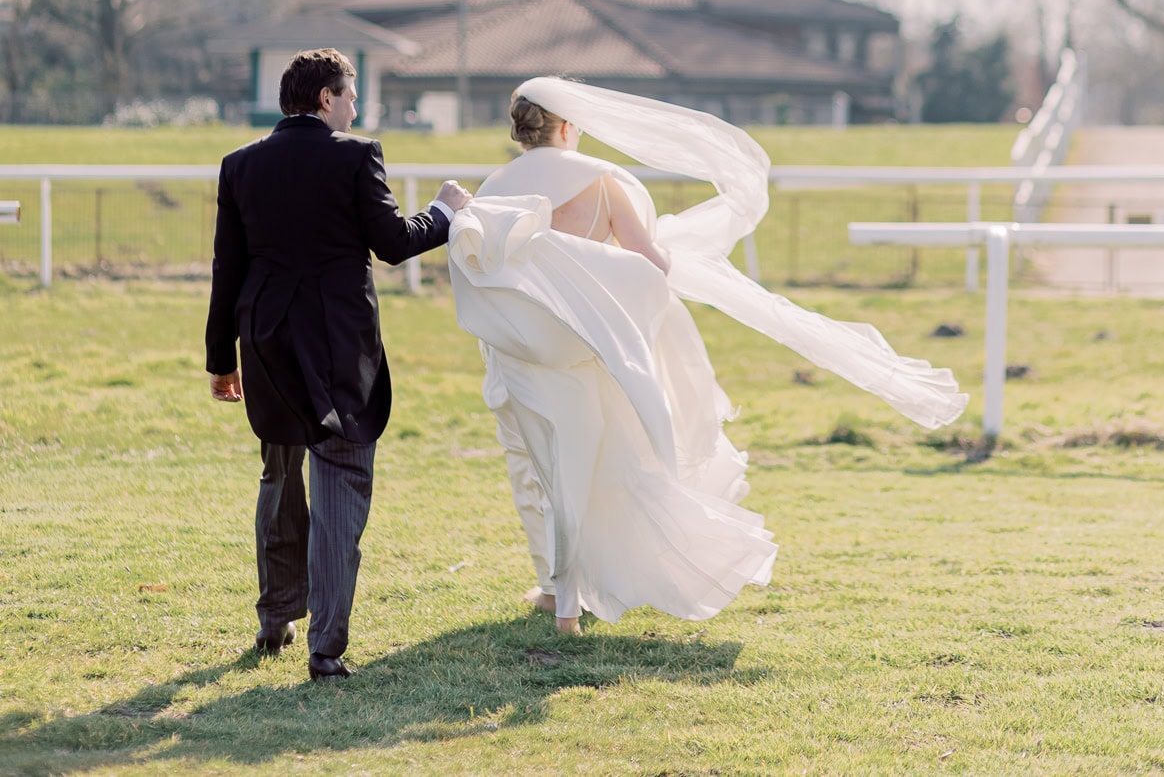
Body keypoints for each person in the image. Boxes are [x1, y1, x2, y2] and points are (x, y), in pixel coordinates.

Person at [448, 77, 967, 635]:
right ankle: (581, 591)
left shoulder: (495, 190)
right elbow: (649, 264)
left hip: (523, 354)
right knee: (603, 465)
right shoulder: (601, 182)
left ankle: (557, 588)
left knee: (536, 467)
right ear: (570, 125)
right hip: (594, 348)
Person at [205, 48, 471, 680]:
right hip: (337, 348)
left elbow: (227, 270)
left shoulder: (239, 164)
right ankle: (325, 647)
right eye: (350, 95)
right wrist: (445, 210)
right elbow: (394, 243)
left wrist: (221, 359)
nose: (356, 106)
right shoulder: (356, 155)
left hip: (265, 342)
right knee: (342, 481)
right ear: (326, 97)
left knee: (279, 475)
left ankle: (276, 618)